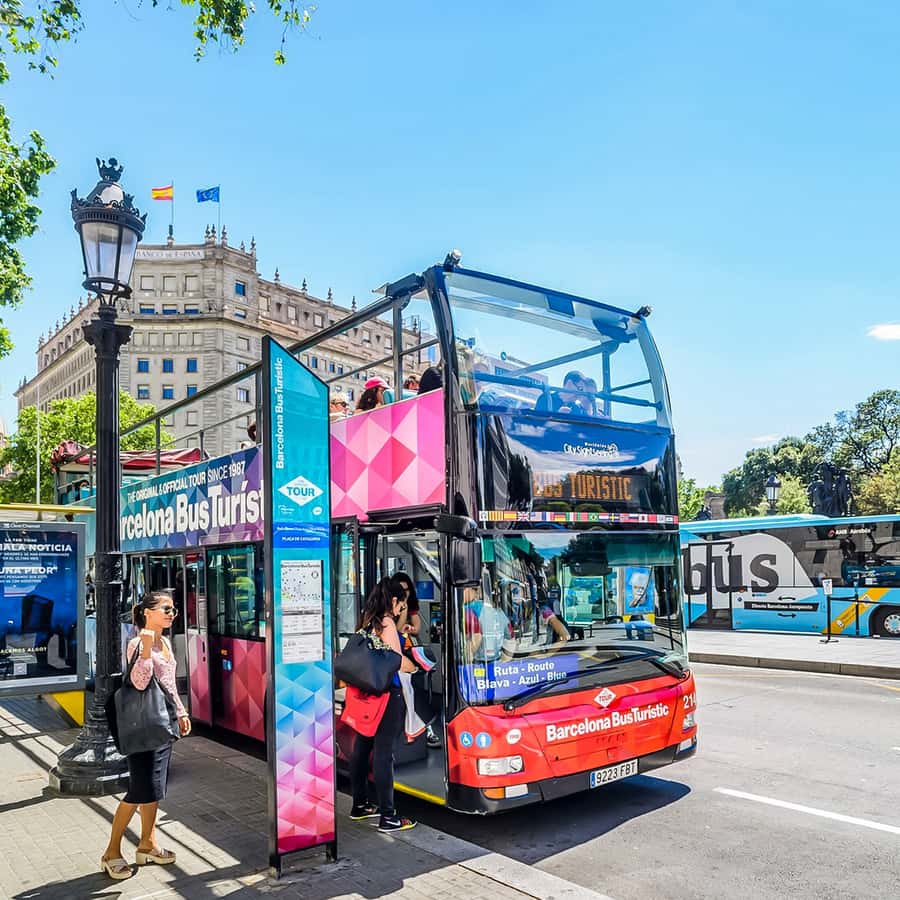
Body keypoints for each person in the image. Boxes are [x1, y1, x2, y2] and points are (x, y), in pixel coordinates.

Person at [100, 591, 191, 880]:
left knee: (155, 790)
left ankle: (147, 844)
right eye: (165, 609)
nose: (171, 614)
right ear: (148, 612)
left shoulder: (165, 642)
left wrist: (181, 712)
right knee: (139, 790)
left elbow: (168, 685)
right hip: (142, 727)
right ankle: (111, 852)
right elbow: (139, 682)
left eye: (173, 610)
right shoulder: (139, 643)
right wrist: (148, 646)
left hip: (162, 724)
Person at [348, 577, 417, 832]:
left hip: (367, 695)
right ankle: (388, 816)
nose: (402, 610)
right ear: (395, 601)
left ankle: (360, 805)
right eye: (402, 604)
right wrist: (416, 664)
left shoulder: (368, 620)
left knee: (362, 748)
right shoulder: (387, 624)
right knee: (384, 754)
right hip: (387, 696)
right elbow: (396, 662)